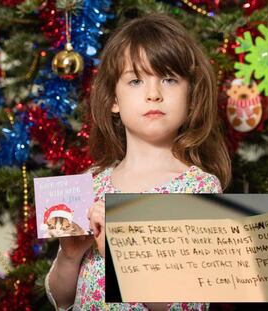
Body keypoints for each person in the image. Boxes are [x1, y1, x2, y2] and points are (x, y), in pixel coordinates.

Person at [45, 13, 231, 311]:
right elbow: (62, 299)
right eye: (135, 80)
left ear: (191, 97)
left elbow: (185, 304)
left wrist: (117, 254)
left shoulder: (199, 189)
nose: (154, 94)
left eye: (169, 79)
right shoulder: (91, 182)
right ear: (113, 100)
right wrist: (69, 255)